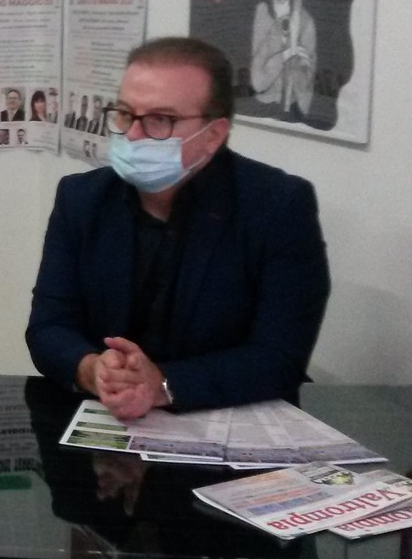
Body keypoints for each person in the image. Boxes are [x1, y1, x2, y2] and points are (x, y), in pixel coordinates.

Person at [26, 37, 330, 421]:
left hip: (228, 423)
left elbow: (280, 356)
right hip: (111, 422)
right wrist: (93, 370)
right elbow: (49, 327)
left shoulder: (278, 206)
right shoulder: (81, 199)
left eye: (160, 120)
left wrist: (164, 384)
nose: (132, 134)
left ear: (213, 135)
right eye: (125, 114)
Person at [250, 0, 318, 119]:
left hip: (292, 103)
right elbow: (258, 74)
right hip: (265, 101)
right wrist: (286, 53)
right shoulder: (263, 12)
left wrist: (303, 64)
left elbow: (308, 74)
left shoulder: (305, 21)